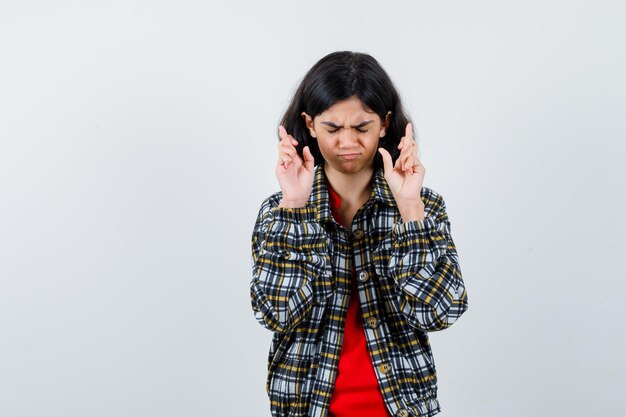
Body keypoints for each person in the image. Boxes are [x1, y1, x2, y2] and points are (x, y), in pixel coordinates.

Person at [250, 51, 469, 417]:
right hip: (308, 407)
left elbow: (440, 312)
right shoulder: (281, 211)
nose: (347, 143)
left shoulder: (421, 205)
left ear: (384, 124)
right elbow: (275, 314)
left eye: (362, 127)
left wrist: (410, 208)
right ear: (310, 124)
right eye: (333, 128)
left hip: (401, 407)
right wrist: (295, 204)